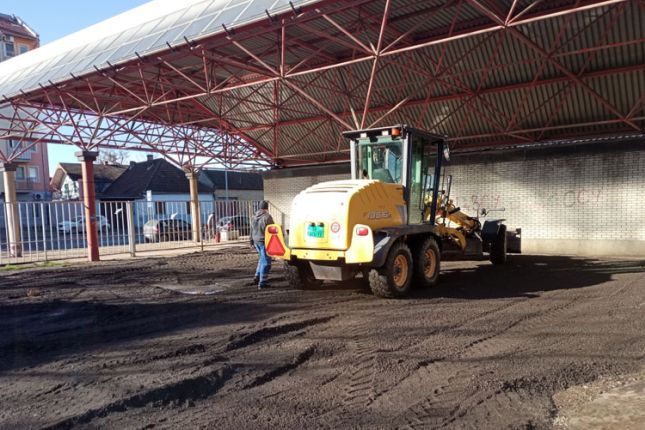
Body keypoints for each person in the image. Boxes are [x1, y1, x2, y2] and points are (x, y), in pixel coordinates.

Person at [250, 201, 274, 290]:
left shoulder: (253, 217)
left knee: (261, 259)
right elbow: (273, 230)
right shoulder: (267, 217)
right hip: (264, 241)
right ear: (267, 208)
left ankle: (257, 276)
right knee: (266, 262)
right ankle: (262, 282)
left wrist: (251, 241)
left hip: (256, 241)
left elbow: (251, 230)